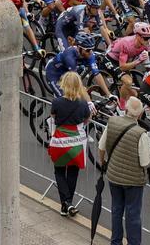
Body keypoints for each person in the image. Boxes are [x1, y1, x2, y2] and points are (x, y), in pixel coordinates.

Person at [99, 96, 150, 245]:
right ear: (140, 114)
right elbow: (145, 162)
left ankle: (115, 242)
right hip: (133, 181)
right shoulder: (141, 133)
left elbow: (101, 147)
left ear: (126, 109)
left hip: (113, 175)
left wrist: (103, 163)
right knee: (133, 214)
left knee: (116, 209)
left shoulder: (112, 122)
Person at [48, 71, 92, 217]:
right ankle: (68, 204)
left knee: (59, 171)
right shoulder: (83, 104)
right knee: (73, 173)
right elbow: (86, 120)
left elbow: (53, 117)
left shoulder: (57, 102)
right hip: (77, 143)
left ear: (64, 85)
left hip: (60, 141)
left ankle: (66, 204)